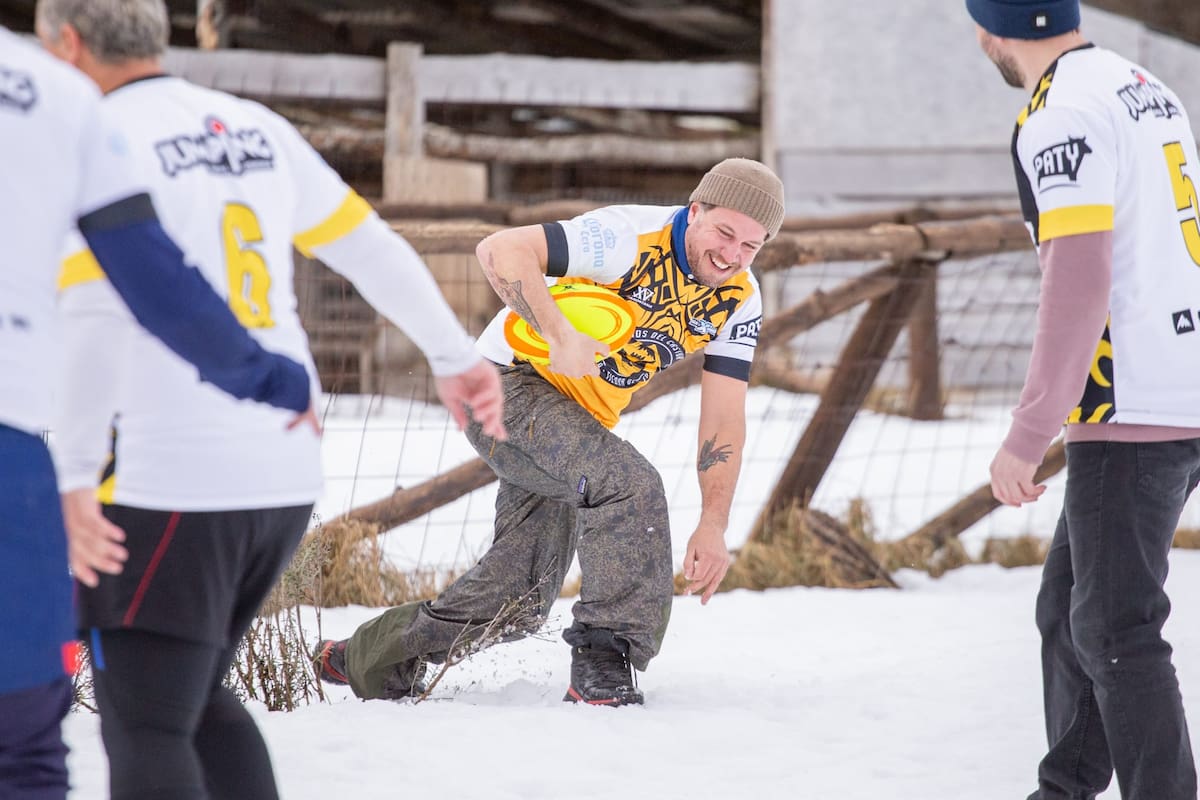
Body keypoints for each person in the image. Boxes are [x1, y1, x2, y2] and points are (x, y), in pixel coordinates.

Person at [35, 0, 506, 797]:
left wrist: (76, 475)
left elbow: (98, 321)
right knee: (194, 704)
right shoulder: (250, 126)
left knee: (143, 720)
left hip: (166, 472)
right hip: (282, 467)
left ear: (68, 44)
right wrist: (452, 353)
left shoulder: (96, 142)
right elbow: (368, 245)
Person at [315, 157, 783, 707]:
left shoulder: (739, 299)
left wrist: (713, 522)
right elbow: (498, 249)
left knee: (525, 594)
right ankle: (604, 664)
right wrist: (557, 332)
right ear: (695, 209)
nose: (732, 255)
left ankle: (369, 658)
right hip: (502, 385)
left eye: (751, 246)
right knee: (629, 483)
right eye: (725, 232)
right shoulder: (625, 238)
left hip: (574, 422)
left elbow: (725, 417)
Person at [0, 17, 322, 800]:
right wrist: (270, 378)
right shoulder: (50, 93)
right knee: (33, 739)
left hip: (136, 462)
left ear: (67, 33)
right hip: (32, 443)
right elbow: (150, 282)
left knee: (149, 710)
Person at [968, 0, 1200, 797]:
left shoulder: (1060, 113)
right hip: (1181, 374)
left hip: (1131, 401)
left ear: (987, 33)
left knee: (1114, 630)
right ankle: (1063, 790)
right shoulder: (1139, 82)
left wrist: (1030, 431)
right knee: (1067, 608)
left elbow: (1080, 279)